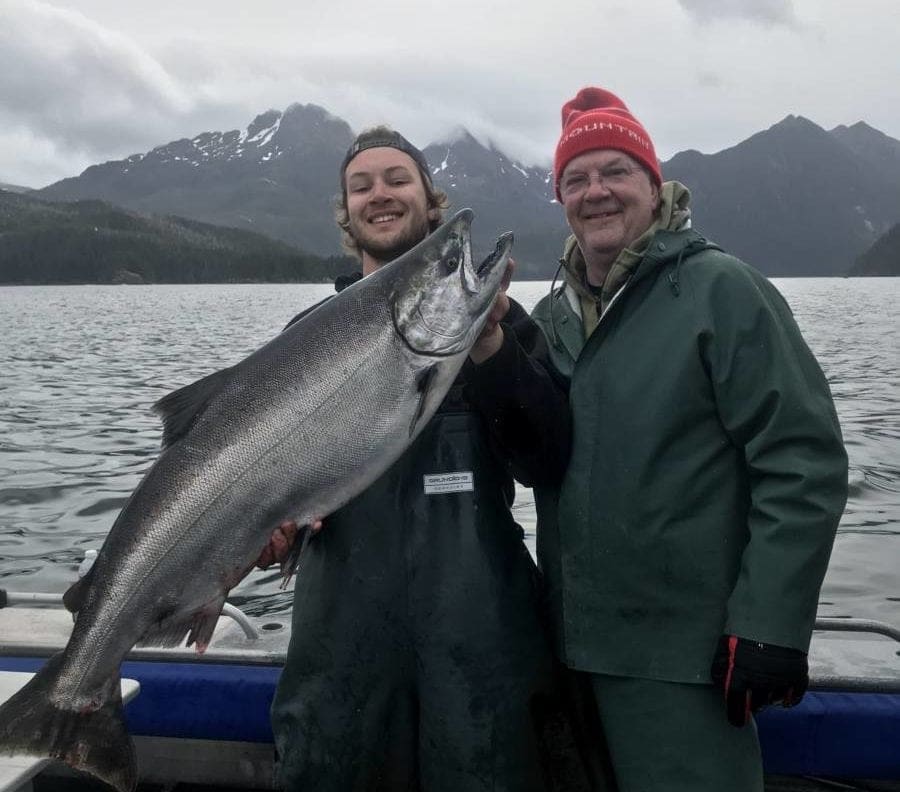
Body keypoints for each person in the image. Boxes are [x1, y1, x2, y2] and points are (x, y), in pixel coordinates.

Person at [531, 87, 849, 792]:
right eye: (576, 179)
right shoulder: (551, 316)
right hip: (569, 652)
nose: (596, 191)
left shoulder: (722, 291)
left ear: (654, 182)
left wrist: (769, 623)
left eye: (615, 170)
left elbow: (802, 463)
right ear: (560, 199)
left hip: (686, 659)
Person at [266, 126, 600, 792]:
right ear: (346, 213)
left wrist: (491, 347)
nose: (379, 195)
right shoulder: (306, 338)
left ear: (429, 200)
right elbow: (273, 490)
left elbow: (547, 459)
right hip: (342, 652)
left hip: (483, 645)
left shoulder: (503, 324)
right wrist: (269, 529)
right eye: (361, 186)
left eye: (397, 180)